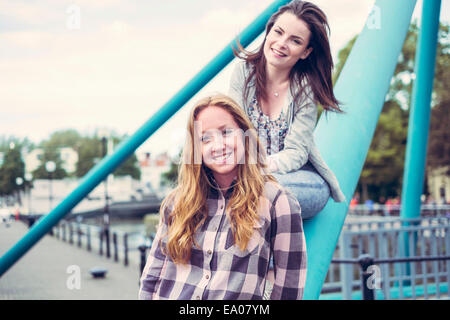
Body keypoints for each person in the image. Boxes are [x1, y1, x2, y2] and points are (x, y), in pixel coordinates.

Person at [139, 94, 306, 300]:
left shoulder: (277, 202)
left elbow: (289, 287)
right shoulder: (176, 202)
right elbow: (154, 274)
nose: (218, 146)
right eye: (205, 138)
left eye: (226, 132)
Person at [229, 0, 345, 219]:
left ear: (305, 52)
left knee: (264, 192)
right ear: (269, 31)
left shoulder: (305, 89)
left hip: (295, 179)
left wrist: (261, 170)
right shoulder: (243, 74)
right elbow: (235, 132)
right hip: (246, 177)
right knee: (242, 191)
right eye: (278, 32)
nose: (282, 43)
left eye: (295, 40)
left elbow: (297, 152)